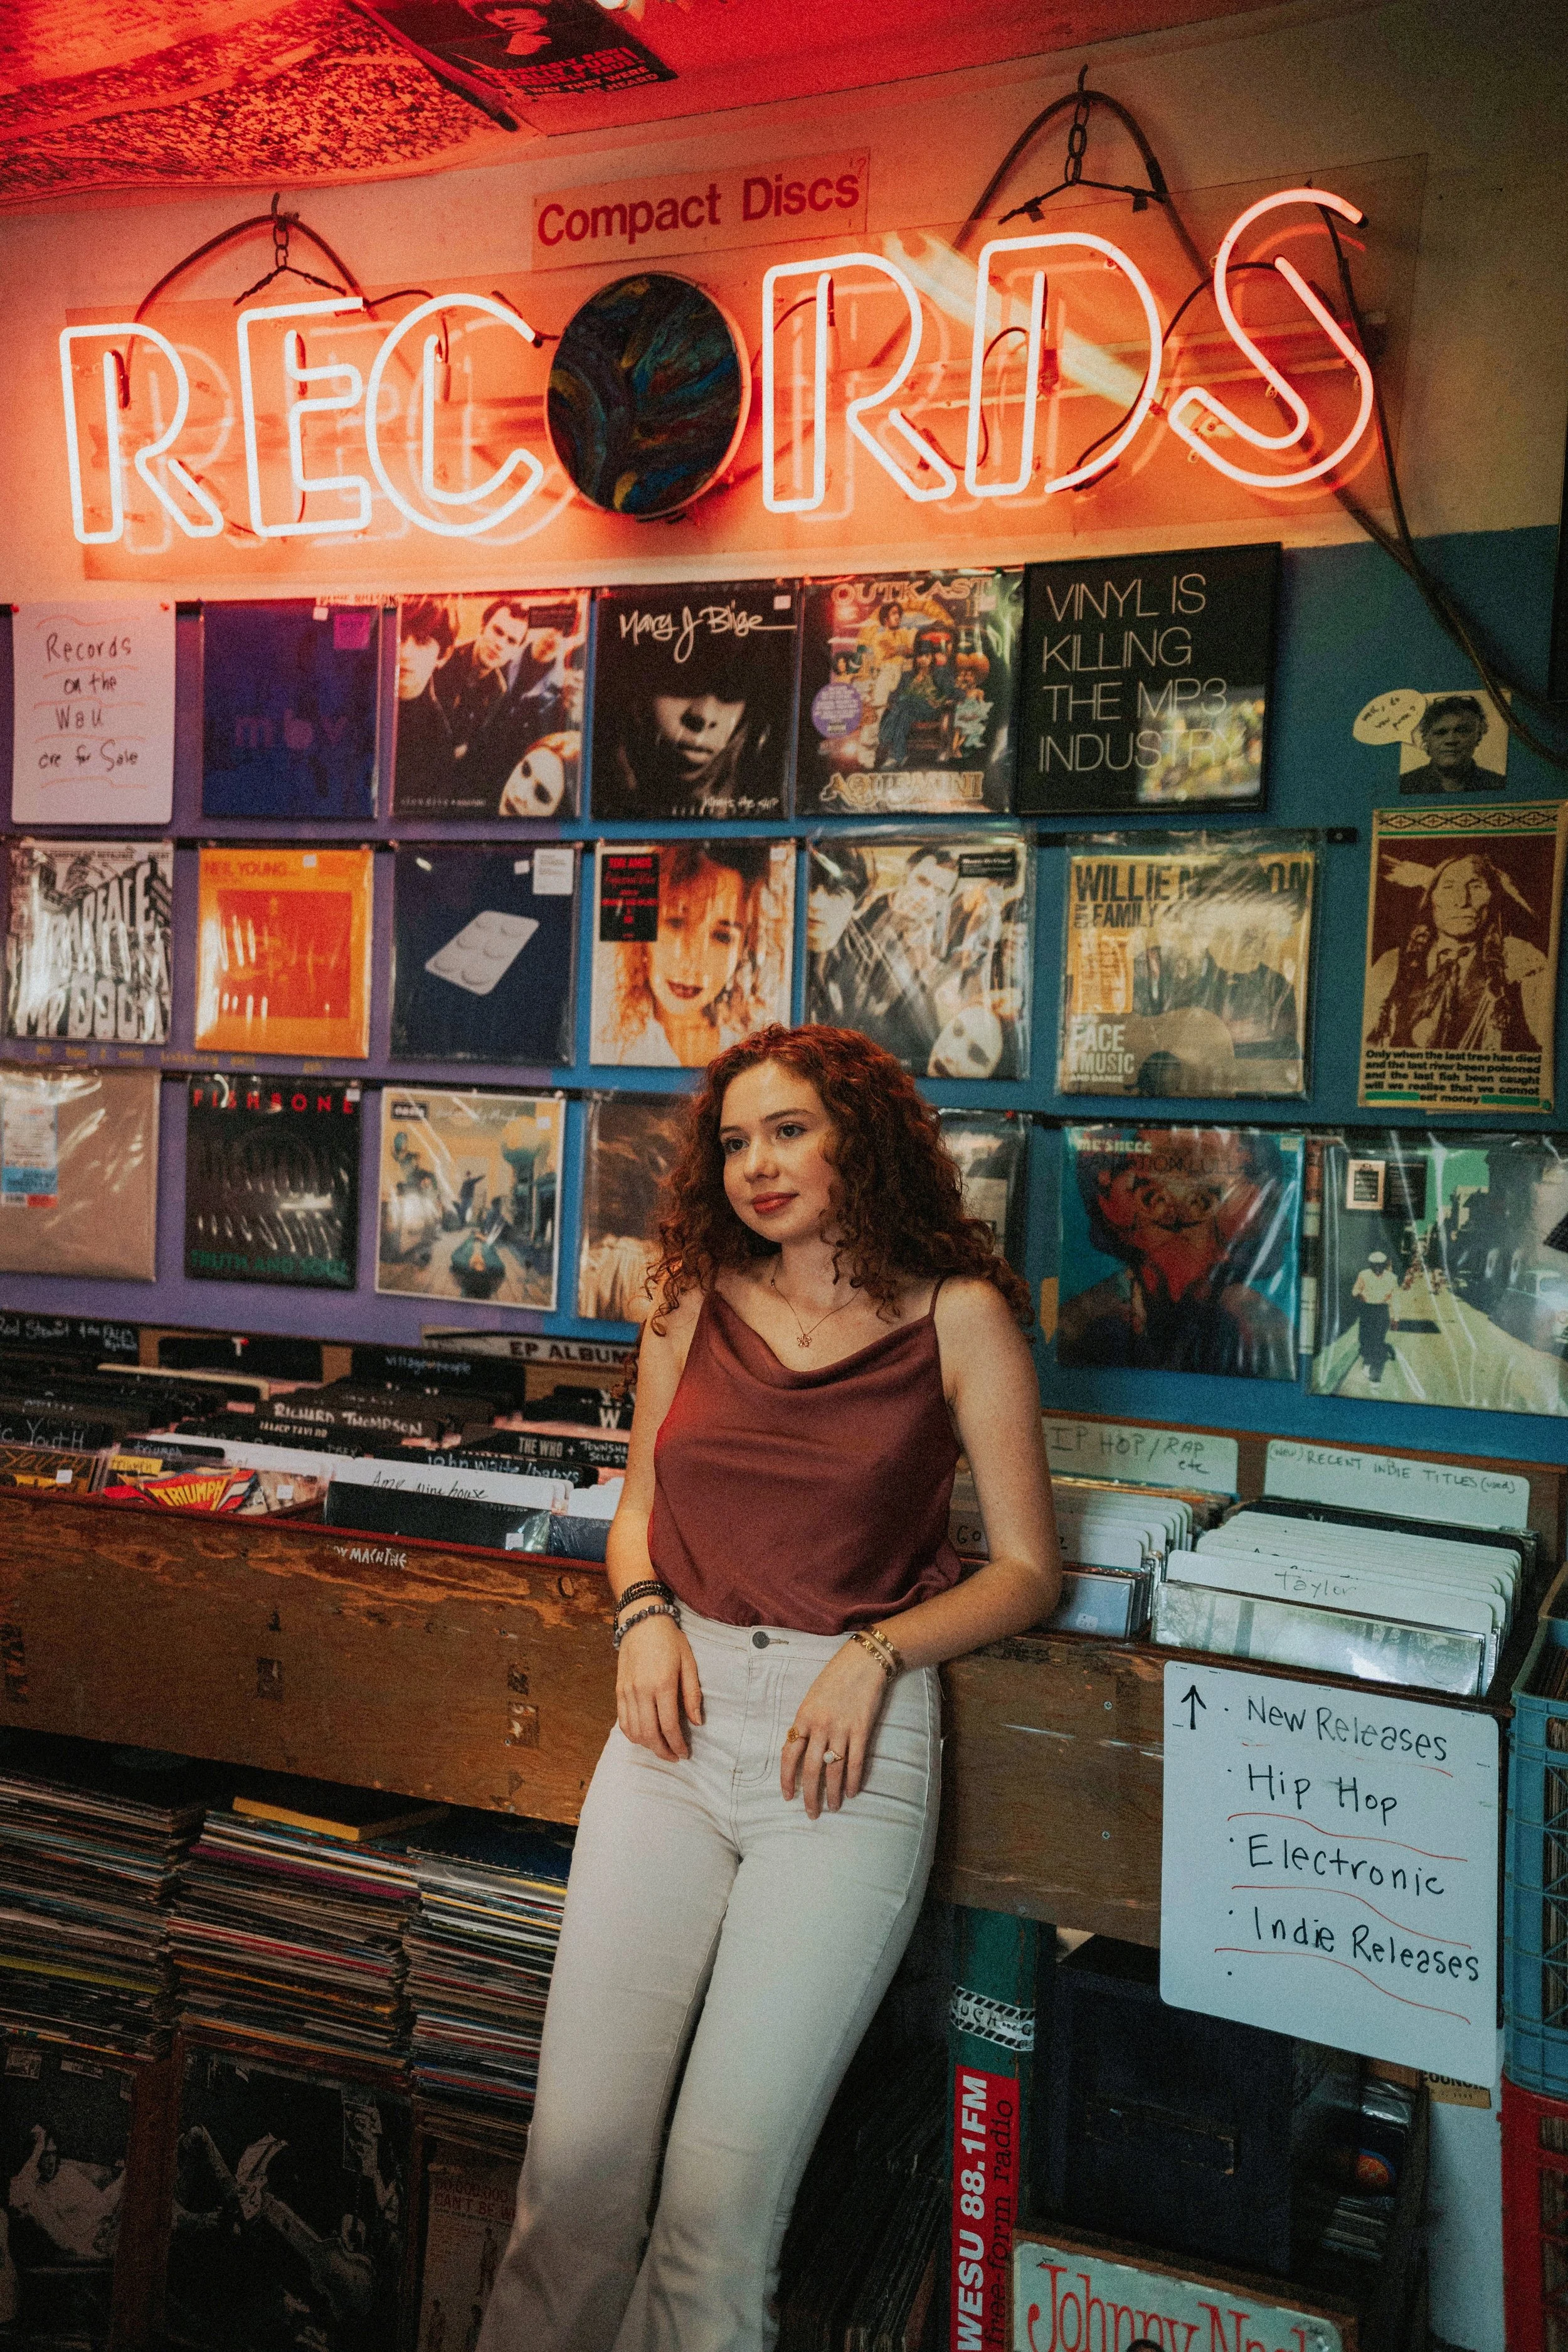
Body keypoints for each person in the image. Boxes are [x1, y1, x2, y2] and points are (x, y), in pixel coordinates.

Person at [477, 1023, 1060, 2352]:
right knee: (571, 2174)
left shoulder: (956, 1314)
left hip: (842, 1751)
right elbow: (637, 1513)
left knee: (718, 2206)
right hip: (668, 1724)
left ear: (862, 1132)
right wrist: (638, 1615)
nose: (755, 1162)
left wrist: (877, 1649)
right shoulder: (689, 1298)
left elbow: (1027, 1566)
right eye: (735, 1139)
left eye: (788, 1127)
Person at [1056, 1127, 1297, 1378]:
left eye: (1206, 1194)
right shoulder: (1077, 1325)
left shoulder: (1269, 1334)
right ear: (1112, 1207)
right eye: (1150, 1187)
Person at [595, 841, 784, 1068]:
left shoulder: (757, 1047)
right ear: (642, 930)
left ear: (745, 945)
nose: (692, 961)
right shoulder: (603, 1039)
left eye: (722, 937)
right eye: (675, 923)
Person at [1364, 850, 1549, 1056]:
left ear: (1493, 897)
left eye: (1476, 886)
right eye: (1448, 887)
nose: (1462, 901)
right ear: (1429, 898)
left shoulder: (1519, 961)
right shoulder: (1392, 965)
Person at [1399, 694, 1497, 794]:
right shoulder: (1404, 785)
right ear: (1426, 738)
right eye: (1440, 733)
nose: (1451, 740)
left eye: (1462, 731)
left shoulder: (1497, 784)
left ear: (1478, 735)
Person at [1351, 1248, 1399, 1383]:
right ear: (1370, 1265)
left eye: (1380, 1265)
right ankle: (1372, 1358)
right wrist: (1359, 1294)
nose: (1377, 1268)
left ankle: (1371, 1365)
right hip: (1367, 1310)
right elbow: (1355, 1290)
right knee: (1366, 1338)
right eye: (1374, 1266)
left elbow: (1395, 1299)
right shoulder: (1364, 1275)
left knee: (1377, 1339)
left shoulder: (1392, 1278)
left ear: (1385, 1265)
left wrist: (1396, 1318)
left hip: (1382, 1311)